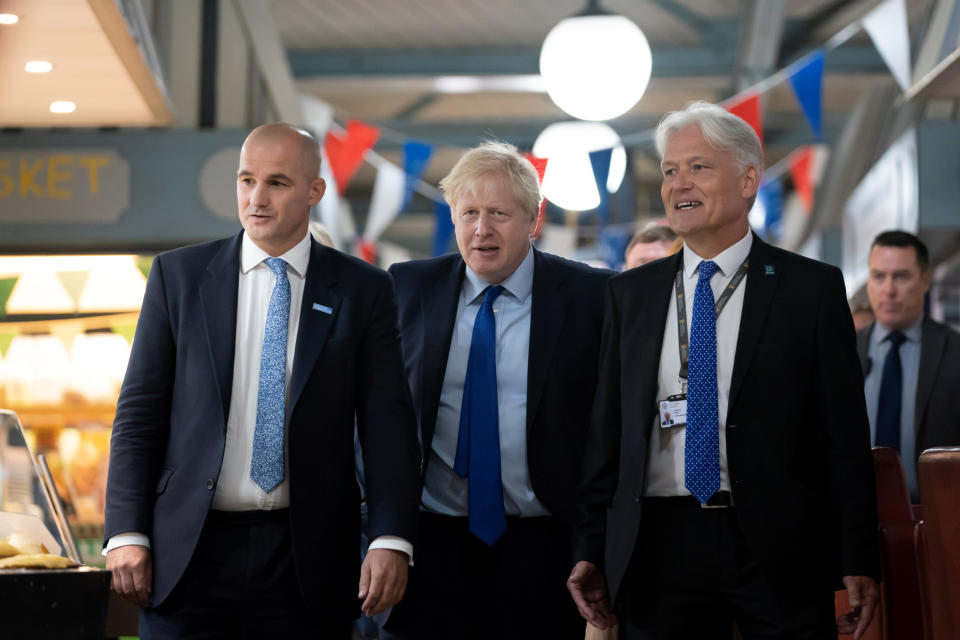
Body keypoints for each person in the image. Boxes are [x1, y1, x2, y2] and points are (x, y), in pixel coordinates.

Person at [568, 101, 880, 640]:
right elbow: (608, 434)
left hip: (777, 544)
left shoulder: (810, 289)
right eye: (669, 171)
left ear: (748, 180)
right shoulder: (629, 294)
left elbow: (844, 435)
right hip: (657, 544)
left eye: (698, 167)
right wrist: (591, 547)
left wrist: (858, 554)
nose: (677, 183)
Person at [103, 123, 420, 638]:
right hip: (187, 554)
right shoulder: (177, 277)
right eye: (246, 179)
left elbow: (388, 428)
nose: (256, 198)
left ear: (315, 191)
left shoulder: (364, 290)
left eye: (277, 183)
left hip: (307, 559)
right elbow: (139, 416)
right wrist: (125, 531)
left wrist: (390, 538)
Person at [380, 141, 612, 640]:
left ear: (533, 217)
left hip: (546, 543)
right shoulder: (407, 288)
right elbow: (380, 417)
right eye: (469, 213)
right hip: (432, 543)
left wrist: (596, 543)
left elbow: (608, 431)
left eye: (499, 214)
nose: (481, 230)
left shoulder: (593, 297)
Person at [857, 230, 960, 501]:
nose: (889, 290)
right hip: (858, 520)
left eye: (900, 276)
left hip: (937, 520)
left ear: (925, 280)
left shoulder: (953, 351)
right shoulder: (842, 351)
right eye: (879, 276)